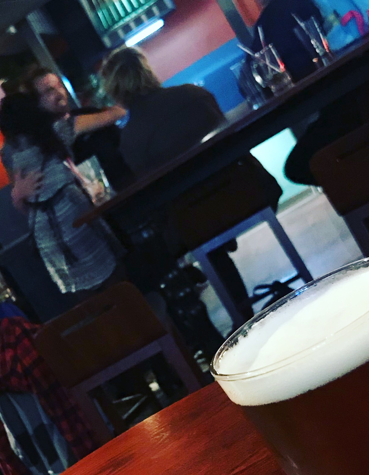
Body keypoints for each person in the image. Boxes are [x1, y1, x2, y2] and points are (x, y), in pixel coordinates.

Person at [100, 46, 282, 321]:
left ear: (114, 89)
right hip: (250, 192)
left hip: (195, 223)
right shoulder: (194, 95)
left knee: (190, 222)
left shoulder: (130, 140)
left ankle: (240, 316)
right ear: (146, 70)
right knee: (205, 213)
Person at [0, 92, 125, 297]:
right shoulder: (56, 131)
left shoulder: (8, 152)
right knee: (115, 278)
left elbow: (22, 206)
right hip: (74, 210)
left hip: (45, 231)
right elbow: (113, 115)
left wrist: (18, 194)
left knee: (89, 298)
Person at [18, 66, 135, 192]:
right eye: (50, 90)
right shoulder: (52, 133)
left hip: (133, 179)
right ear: (37, 102)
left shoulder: (87, 112)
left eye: (59, 86)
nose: (59, 92)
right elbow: (116, 113)